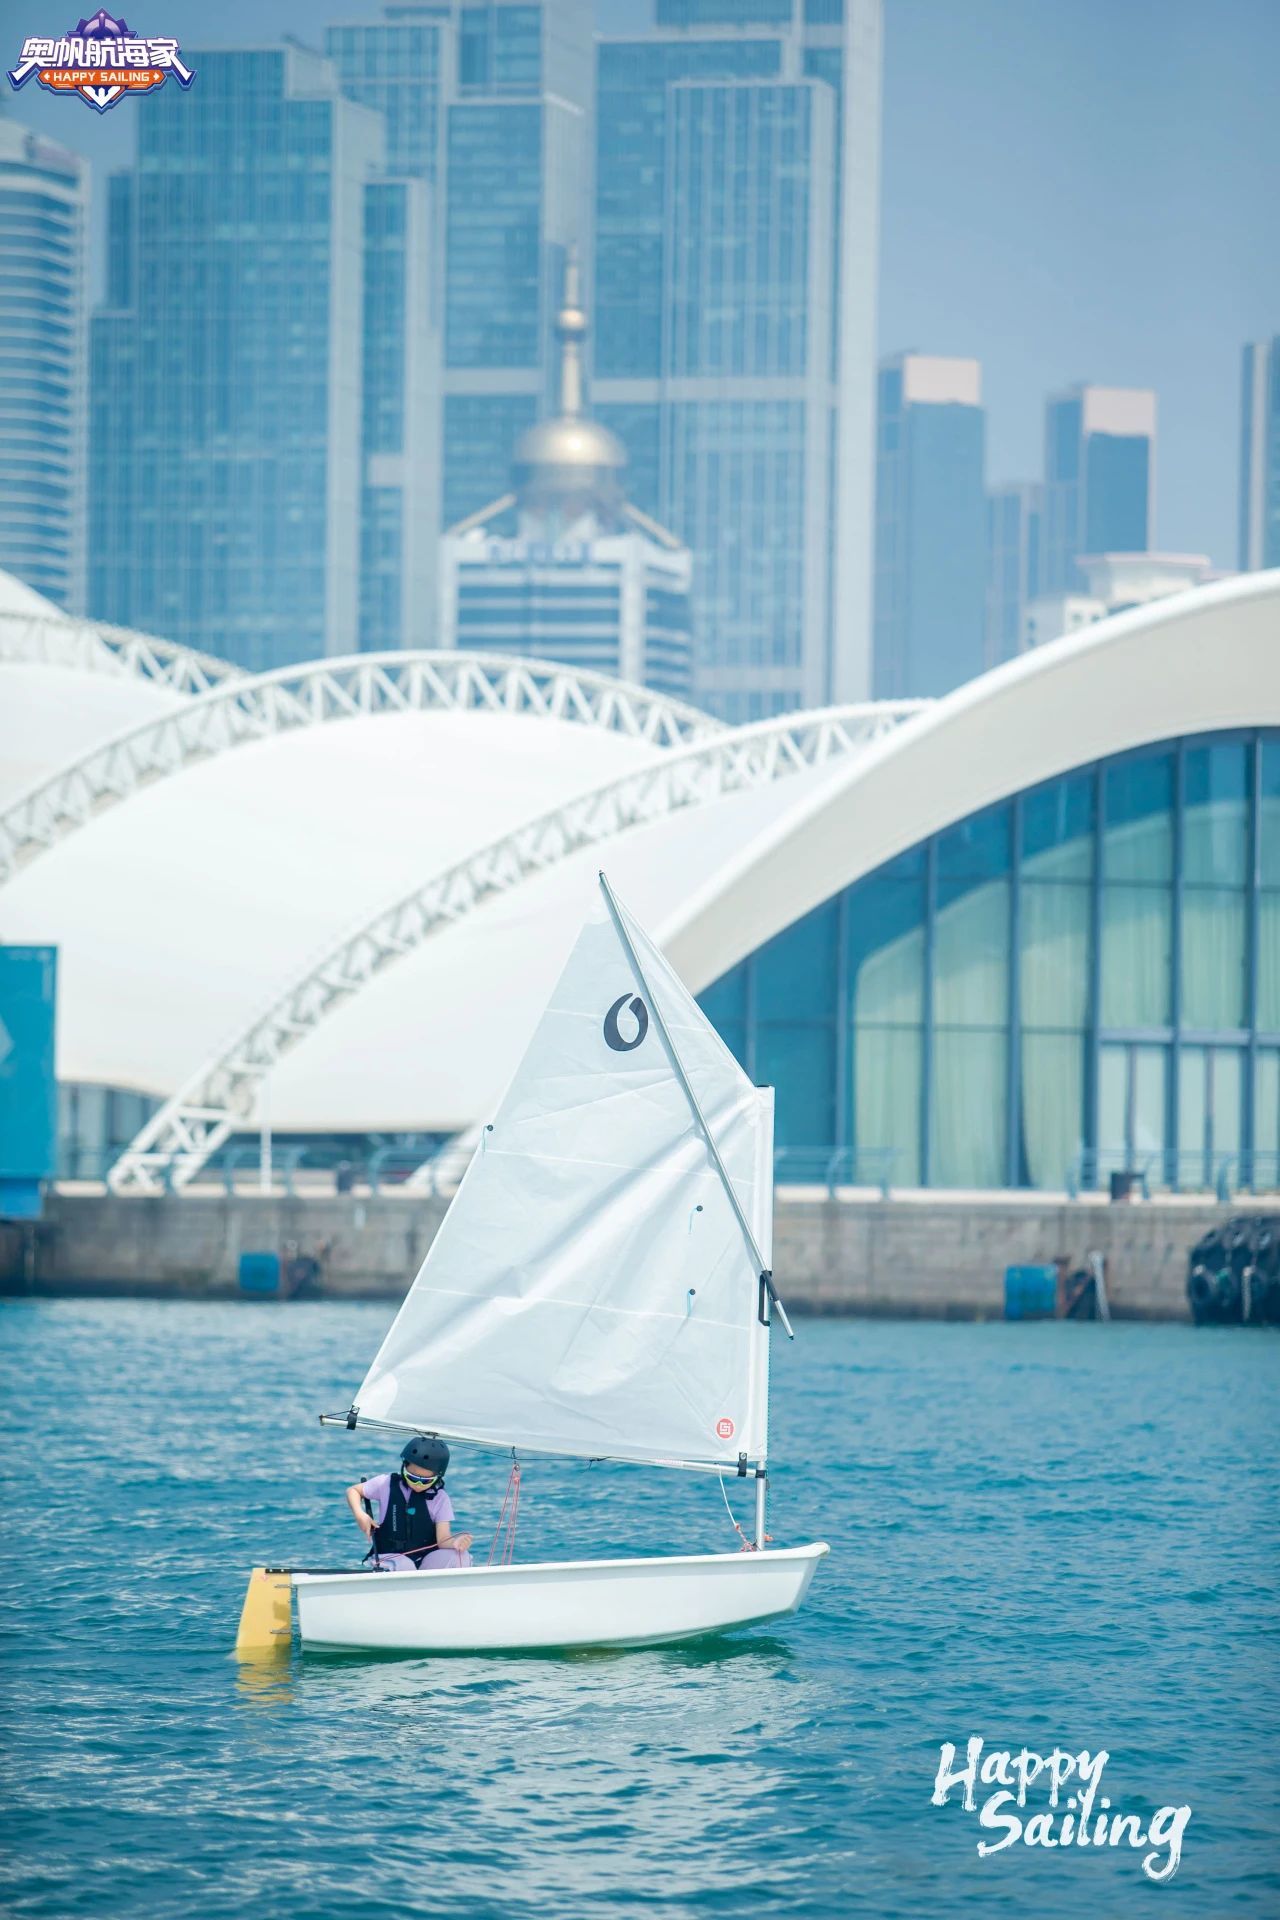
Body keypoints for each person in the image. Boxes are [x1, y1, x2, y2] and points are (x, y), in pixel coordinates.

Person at [347, 1436, 474, 1571]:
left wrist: (456, 1542)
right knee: (405, 1565)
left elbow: (443, 1539)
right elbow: (353, 1490)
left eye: (425, 1481)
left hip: (424, 1560)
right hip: (389, 1557)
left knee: (461, 1556)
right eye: (412, 1478)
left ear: (438, 1477)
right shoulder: (385, 1484)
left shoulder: (440, 1498)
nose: (418, 1485)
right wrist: (360, 1514)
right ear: (404, 1467)